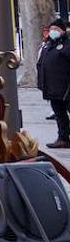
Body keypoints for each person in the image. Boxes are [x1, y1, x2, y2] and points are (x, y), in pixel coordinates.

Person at [38, 19, 70, 149]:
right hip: (52, 89)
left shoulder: (67, 45)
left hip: (66, 88)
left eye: (56, 30)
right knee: (60, 115)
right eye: (51, 29)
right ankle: (63, 138)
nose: (53, 32)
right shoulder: (48, 45)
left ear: (63, 31)